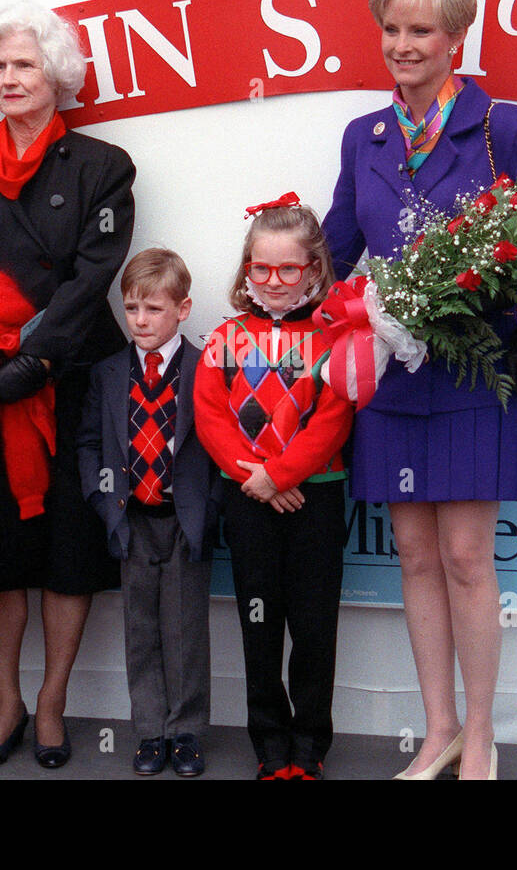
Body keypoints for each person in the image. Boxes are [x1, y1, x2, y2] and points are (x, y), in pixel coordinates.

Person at [321, 0, 517, 780]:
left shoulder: (510, 129)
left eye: (421, 29)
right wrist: (271, 273)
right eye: (392, 28)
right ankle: (439, 729)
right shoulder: (365, 136)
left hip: (476, 371)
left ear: (457, 36)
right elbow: (335, 246)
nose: (403, 44)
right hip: (391, 375)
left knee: (464, 555)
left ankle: (484, 735)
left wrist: (453, 288)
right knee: (414, 555)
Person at [0, 0, 134, 770]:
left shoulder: (103, 166)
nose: (10, 78)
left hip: (73, 377)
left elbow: (89, 278)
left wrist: (37, 357)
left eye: (26, 65)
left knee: (69, 549)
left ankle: (51, 703)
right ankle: (5, 700)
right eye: (0, 66)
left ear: (59, 78)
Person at [193, 198, 354, 780]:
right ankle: (269, 743)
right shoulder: (224, 337)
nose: (275, 281)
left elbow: (334, 418)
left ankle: (310, 744)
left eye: (289, 269)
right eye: (262, 269)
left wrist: (280, 475)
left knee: (314, 625)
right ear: (246, 268)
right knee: (258, 621)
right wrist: (254, 477)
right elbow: (211, 417)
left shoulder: (336, 336)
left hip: (316, 497)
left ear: (314, 269)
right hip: (249, 501)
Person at [76, 248, 218, 777]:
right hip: (131, 521)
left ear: (182, 309)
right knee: (141, 633)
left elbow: (222, 447)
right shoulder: (109, 373)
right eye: (132, 308)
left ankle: (186, 733)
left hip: (184, 522)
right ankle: (149, 732)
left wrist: (209, 508)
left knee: (185, 633)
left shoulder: (204, 368)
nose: (141, 320)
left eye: (153, 310)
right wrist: (102, 498)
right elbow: (89, 443)